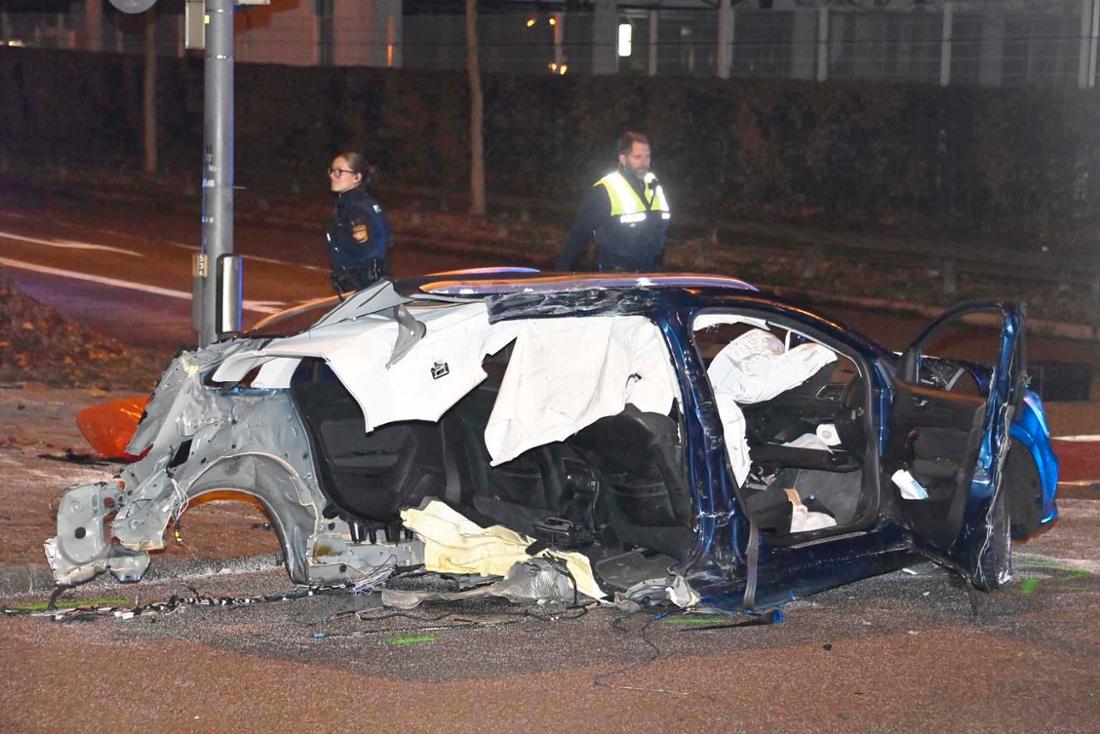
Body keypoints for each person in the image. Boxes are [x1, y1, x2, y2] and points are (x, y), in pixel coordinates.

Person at [556, 131, 671, 273]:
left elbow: (660, 232)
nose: (644, 163)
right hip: (615, 282)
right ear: (623, 159)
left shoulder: (655, 186)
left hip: (652, 278)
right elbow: (578, 235)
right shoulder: (604, 190)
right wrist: (559, 276)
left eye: (647, 157)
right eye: (638, 157)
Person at [325, 151, 392, 294]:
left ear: (357, 177)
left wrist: (352, 280)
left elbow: (368, 251)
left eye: (339, 172)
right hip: (365, 284)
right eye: (332, 171)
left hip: (364, 286)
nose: (332, 175)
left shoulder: (357, 209)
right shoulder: (353, 204)